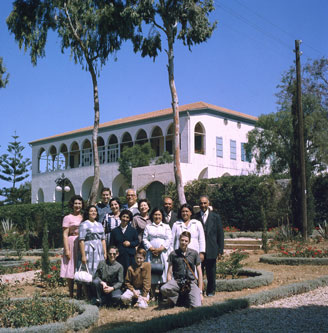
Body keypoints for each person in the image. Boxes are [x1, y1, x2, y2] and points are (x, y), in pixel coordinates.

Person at [160, 231, 203, 308]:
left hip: (191, 283)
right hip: (177, 282)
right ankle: (177, 298)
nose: (184, 242)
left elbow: (200, 273)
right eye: (182, 240)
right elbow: (169, 273)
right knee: (164, 288)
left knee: (197, 305)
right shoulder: (173, 254)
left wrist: (200, 293)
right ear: (179, 240)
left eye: (186, 241)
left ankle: (185, 299)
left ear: (189, 242)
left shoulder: (194, 253)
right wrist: (170, 295)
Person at [194, 195, 224, 297]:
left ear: (208, 203)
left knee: (211, 272)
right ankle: (199, 291)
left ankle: (211, 291)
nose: (203, 205)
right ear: (199, 205)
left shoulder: (216, 217)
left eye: (205, 203)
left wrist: (220, 251)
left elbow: (220, 235)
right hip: (199, 251)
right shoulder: (195, 217)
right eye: (201, 203)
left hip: (212, 249)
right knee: (199, 272)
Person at [143, 208, 172, 298]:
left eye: (159, 215)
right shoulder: (148, 227)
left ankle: (163, 294)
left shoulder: (166, 226)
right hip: (151, 253)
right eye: (155, 214)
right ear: (152, 216)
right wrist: (151, 248)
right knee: (152, 273)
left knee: (164, 272)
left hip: (163, 253)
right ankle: (153, 295)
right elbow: (145, 239)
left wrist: (160, 249)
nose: (157, 216)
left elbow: (169, 239)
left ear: (162, 216)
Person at [79, 205, 107, 299]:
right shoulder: (84, 224)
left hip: (99, 250)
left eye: (95, 211)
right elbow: (81, 240)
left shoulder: (99, 224)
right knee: (89, 272)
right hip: (89, 250)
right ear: (87, 213)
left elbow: (103, 239)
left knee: (99, 271)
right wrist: (83, 255)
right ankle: (89, 296)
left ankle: (99, 295)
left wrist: (105, 252)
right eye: (91, 211)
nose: (93, 213)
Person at [60, 195, 84, 298]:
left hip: (81, 243)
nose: (77, 205)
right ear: (72, 205)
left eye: (79, 203)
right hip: (71, 242)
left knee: (79, 268)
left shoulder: (84, 217)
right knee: (70, 268)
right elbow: (65, 234)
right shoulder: (67, 217)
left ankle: (79, 293)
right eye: (75, 203)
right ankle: (70, 293)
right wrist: (66, 250)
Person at [109, 209, 139, 277]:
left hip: (130, 256)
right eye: (124, 216)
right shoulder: (114, 231)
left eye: (127, 217)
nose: (125, 219)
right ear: (120, 217)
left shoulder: (133, 230)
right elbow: (112, 244)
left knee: (129, 273)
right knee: (119, 272)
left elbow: (137, 241)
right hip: (119, 256)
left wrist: (130, 243)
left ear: (129, 219)